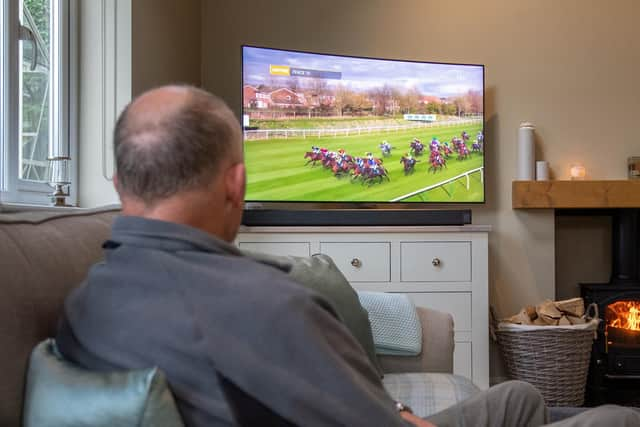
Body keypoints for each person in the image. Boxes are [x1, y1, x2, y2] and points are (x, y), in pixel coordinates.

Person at [56, 85, 640, 427]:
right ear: (235, 186)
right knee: (615, 417)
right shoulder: (269, 303)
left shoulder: (85, 303)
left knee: (523, 394)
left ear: (118, 182)